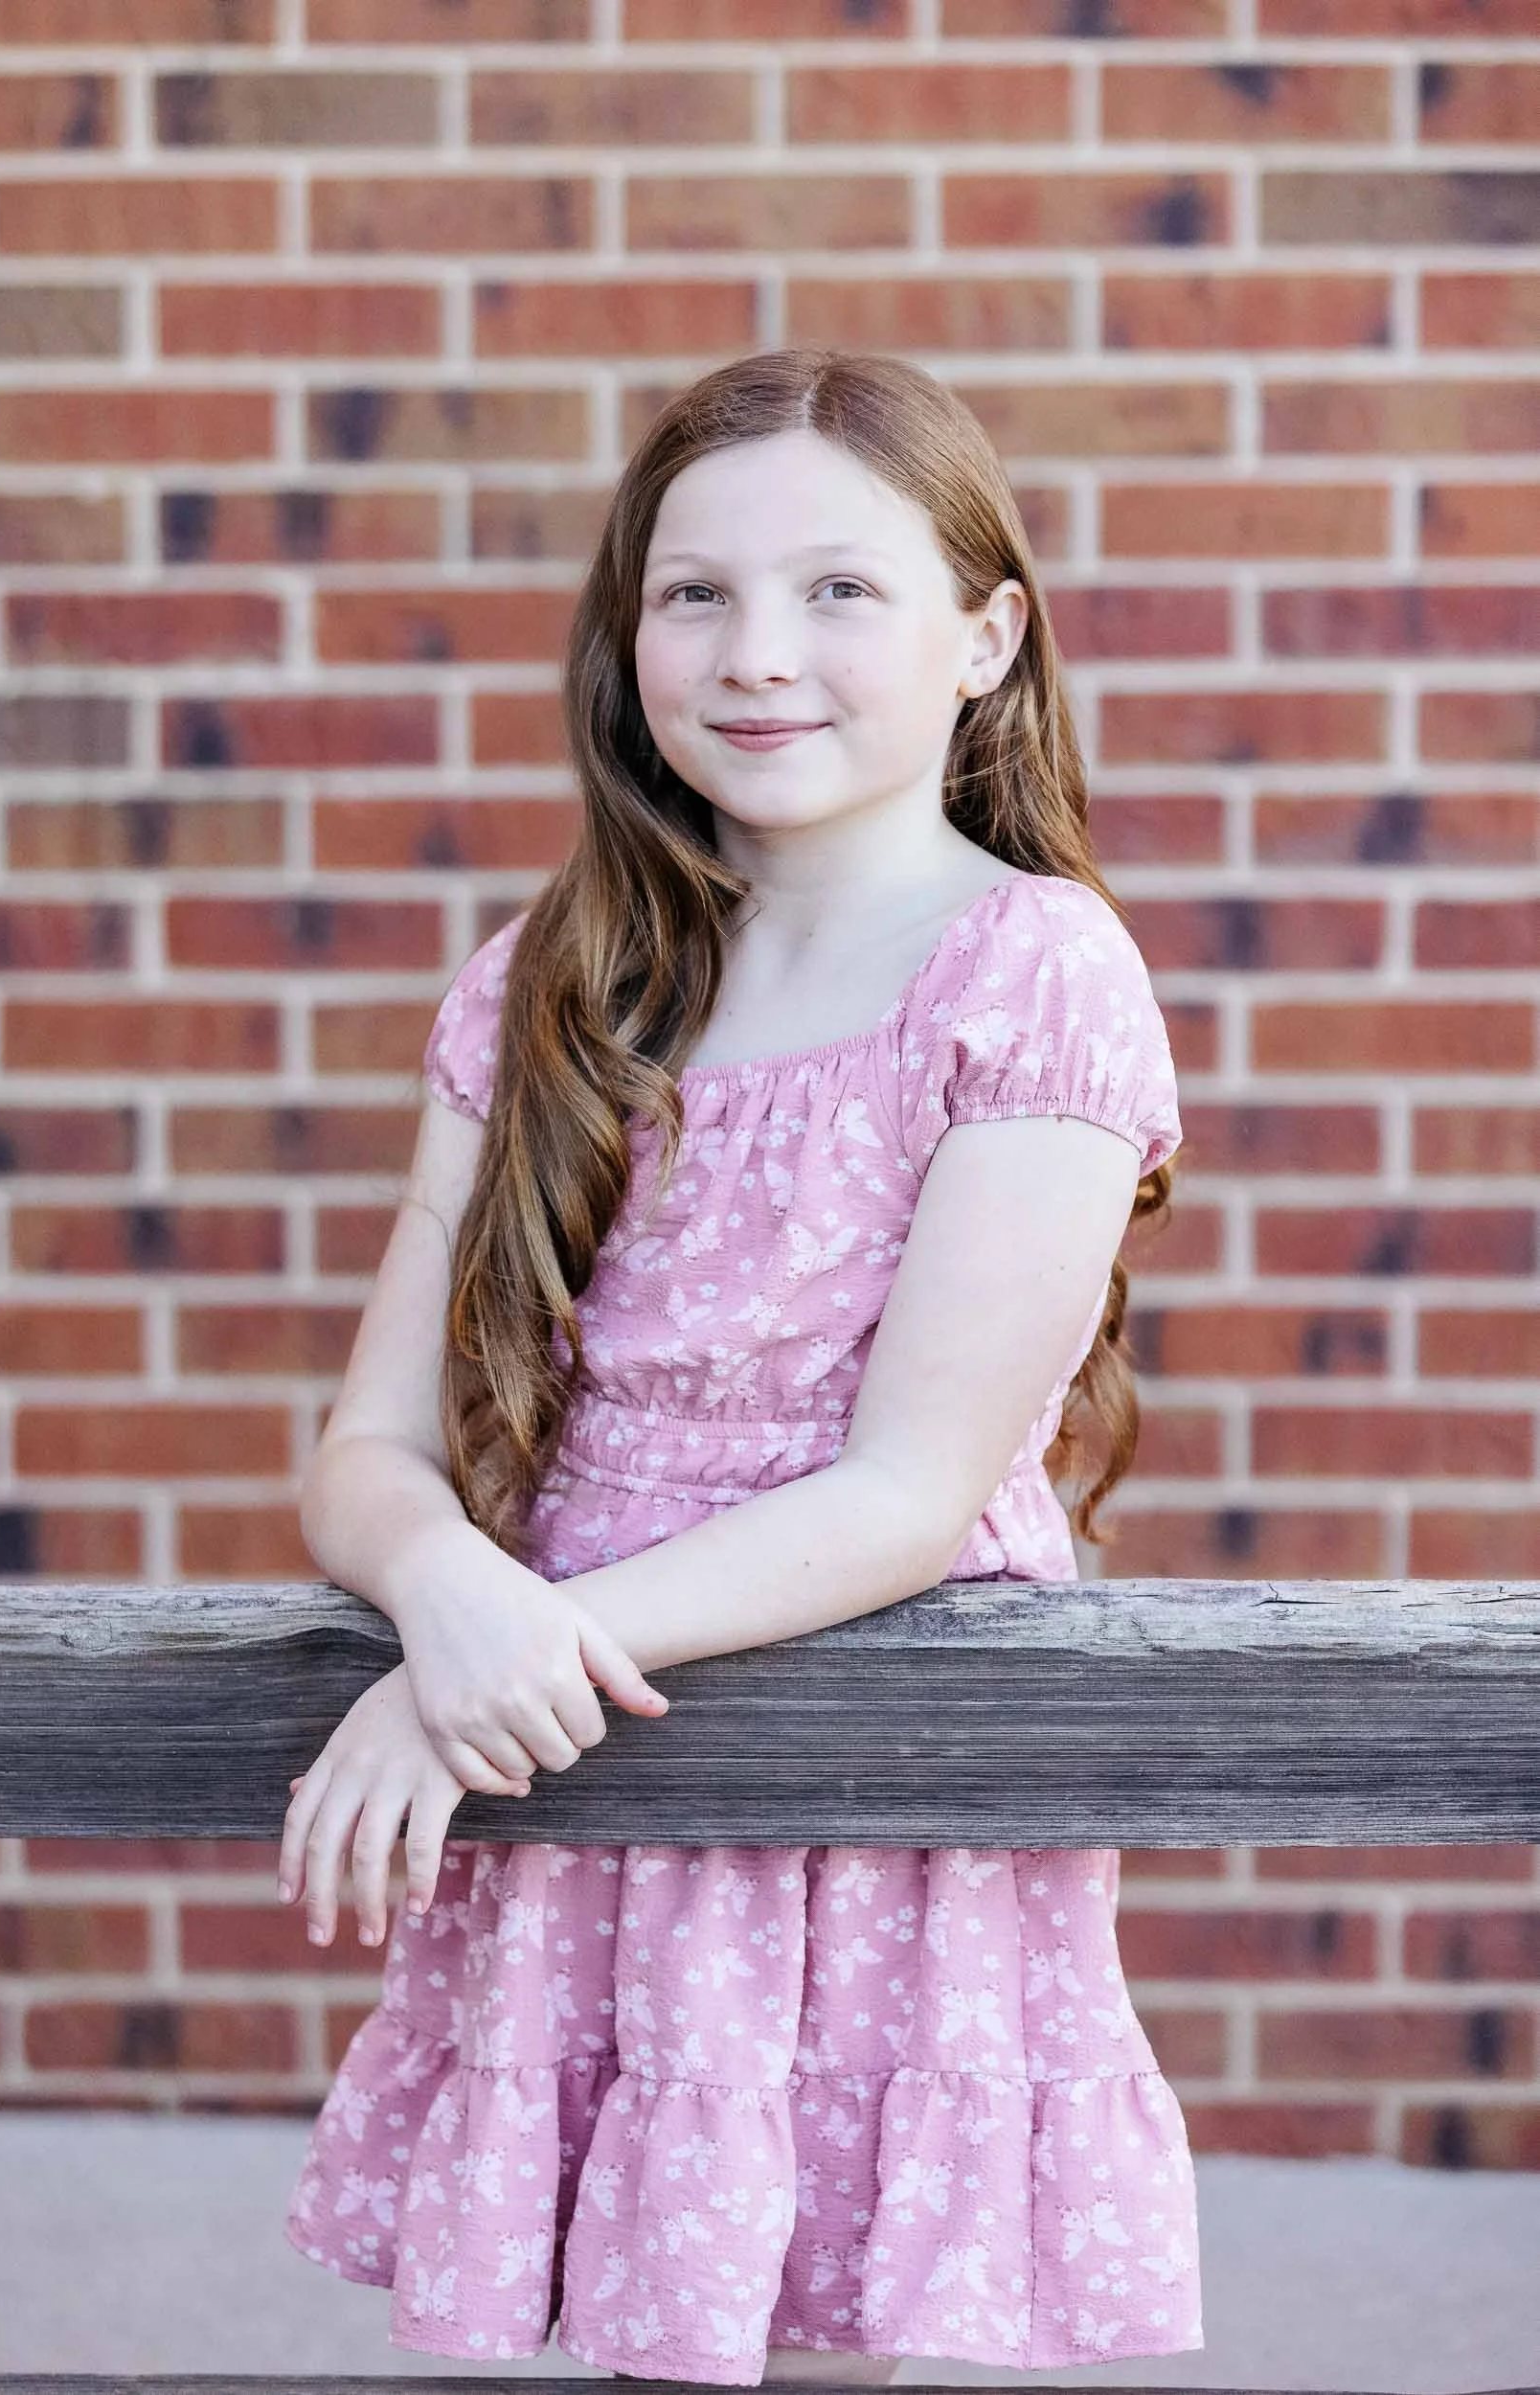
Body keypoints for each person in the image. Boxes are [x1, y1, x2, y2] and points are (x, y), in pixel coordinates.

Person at [276, 347, 1201, 2386]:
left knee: (823, 2321)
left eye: (837, 589)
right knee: (644, 2317)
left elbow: (908, 1491)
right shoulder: (544, 982)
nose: (755, 653)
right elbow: (366, 1447)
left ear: (984, 639)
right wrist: (447, 1603)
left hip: (855, 1727)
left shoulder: (1031, 973)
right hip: (575, 1728)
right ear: (628, 639)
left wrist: (499, 1664)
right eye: (693, 593)